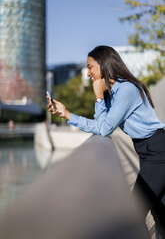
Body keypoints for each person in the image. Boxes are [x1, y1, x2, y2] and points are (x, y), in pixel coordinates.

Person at [47, 45, 165, 237]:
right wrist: (67, 114)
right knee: (159, 210)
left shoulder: (126, 89)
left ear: (103, 64)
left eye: (90, 67)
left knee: (134, 212)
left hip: (158, 150)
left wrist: (99, 97)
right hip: (146, 151)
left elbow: (104, 128)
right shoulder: (113, 95)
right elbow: (100, 127)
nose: (88, 74)